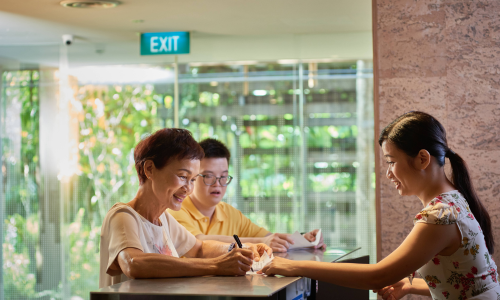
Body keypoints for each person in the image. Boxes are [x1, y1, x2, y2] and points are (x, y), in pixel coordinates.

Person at [260, 111, 500, 299]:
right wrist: (409, 285)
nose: (388, 173)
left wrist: (294, 266)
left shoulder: (441, 215)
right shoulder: (453, 199)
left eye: (392, 162)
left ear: (423, 159)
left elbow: (378, 276)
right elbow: (468, 280)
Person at [99, 129, 271, 288]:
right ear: (149, 169)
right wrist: (216, 266)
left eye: (193, 179)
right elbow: (134, 263)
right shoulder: (123, 215)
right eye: (182, 176)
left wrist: (238, 249)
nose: (188, 188)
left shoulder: (164, 219)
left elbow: (199, 249)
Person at [169, 138, 325, 253]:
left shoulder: (229, 213)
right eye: (208, 176)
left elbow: (268, 237)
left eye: (223, 177)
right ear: (193, 176)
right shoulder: (175, 209)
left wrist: (304, 240)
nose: (218, 183)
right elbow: (198, 242)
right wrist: (262, 242)